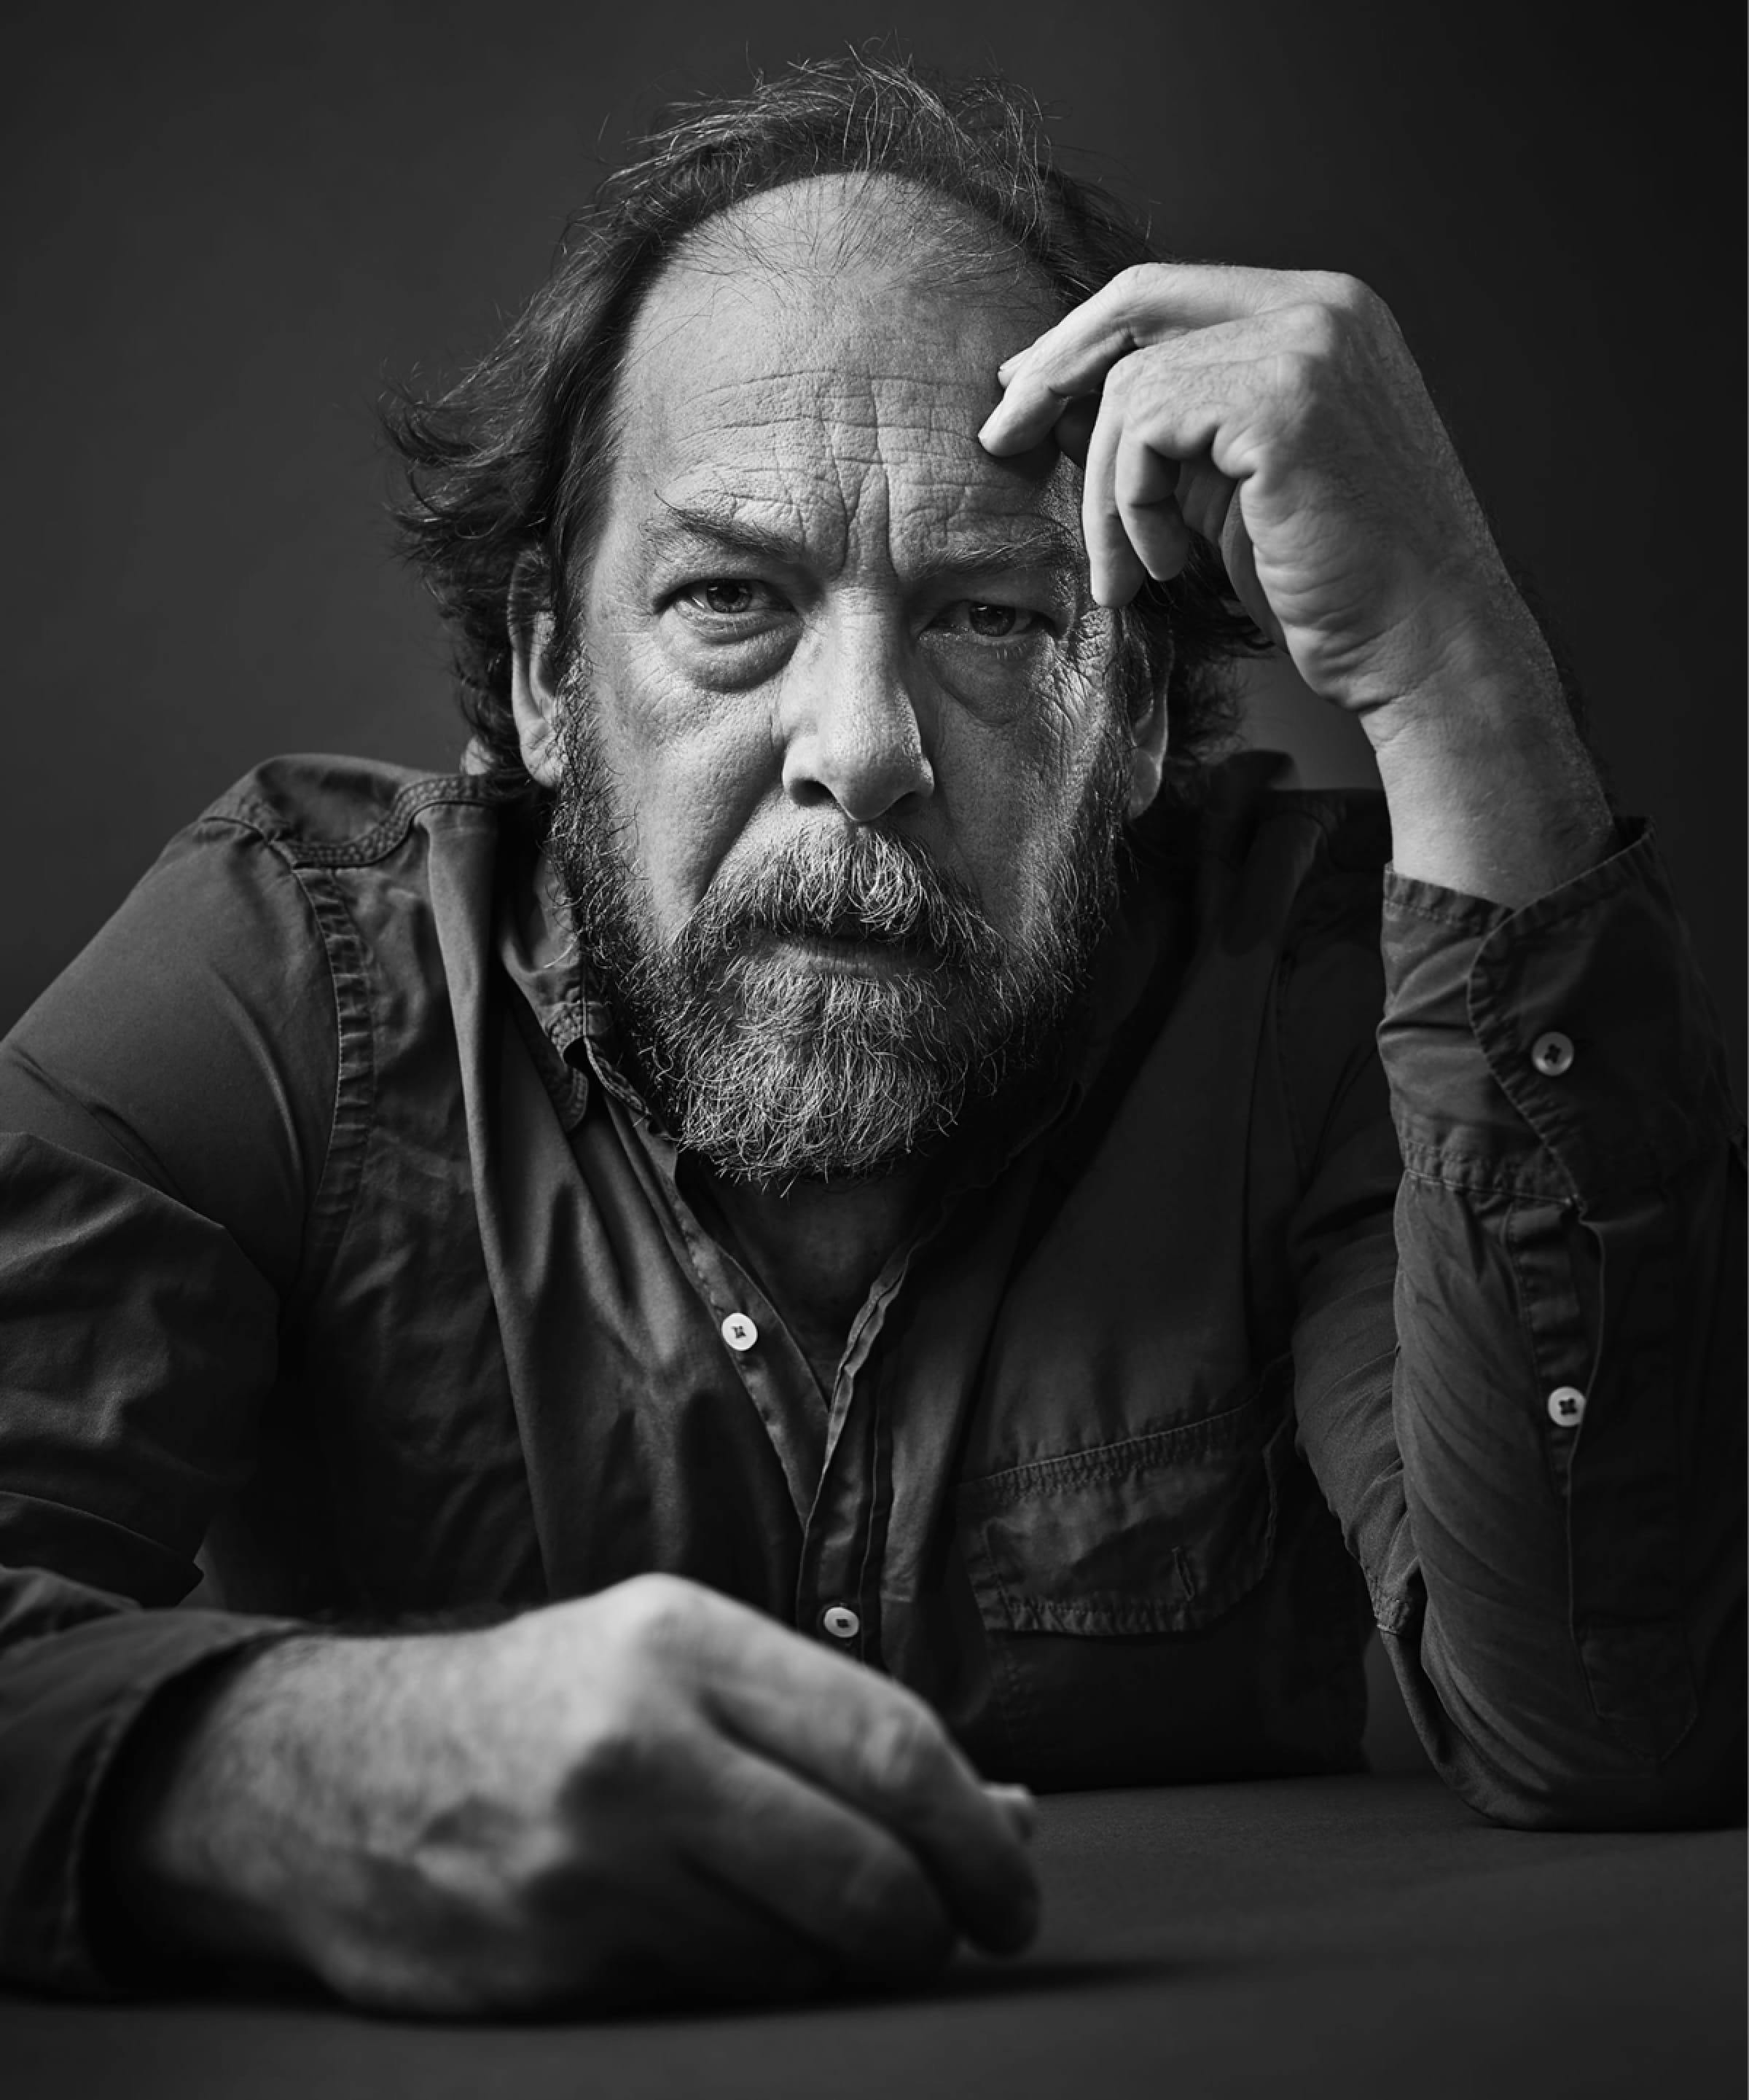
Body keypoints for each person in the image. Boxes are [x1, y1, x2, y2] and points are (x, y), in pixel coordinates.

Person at [0, 54, 1740, 2015]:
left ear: (1145, 720)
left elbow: (1614, 1712)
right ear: (547, 675)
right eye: (732, 595)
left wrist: (1450, 660)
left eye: (996, 617)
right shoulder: (276, 976)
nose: (865, 749)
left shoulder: (1315, 1001)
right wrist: (304, 1760)